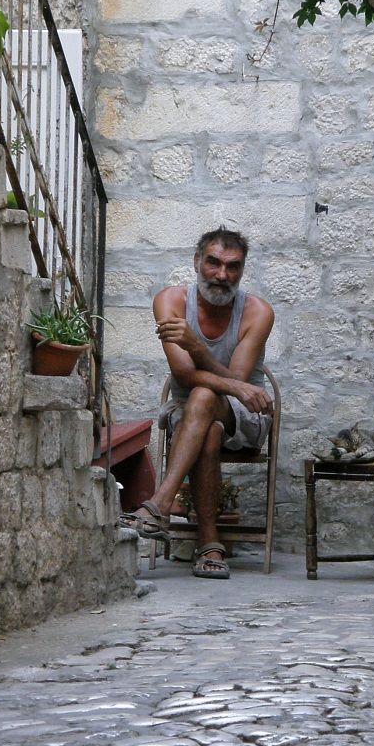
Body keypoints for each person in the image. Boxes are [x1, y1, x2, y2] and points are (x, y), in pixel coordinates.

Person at [122, 226, 274, 578]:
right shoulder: (171, 301)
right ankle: (210, 545)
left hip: (245, 413)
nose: (222, 275)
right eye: (213, 263)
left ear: (242, 270)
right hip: (188, 410)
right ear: (196, 262)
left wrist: (195, 346)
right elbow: (184, 375)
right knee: (208, 422)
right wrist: (202, 359)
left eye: (233, 267)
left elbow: (236, 384)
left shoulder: (257, 312)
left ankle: (159, 505)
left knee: (206, 396)